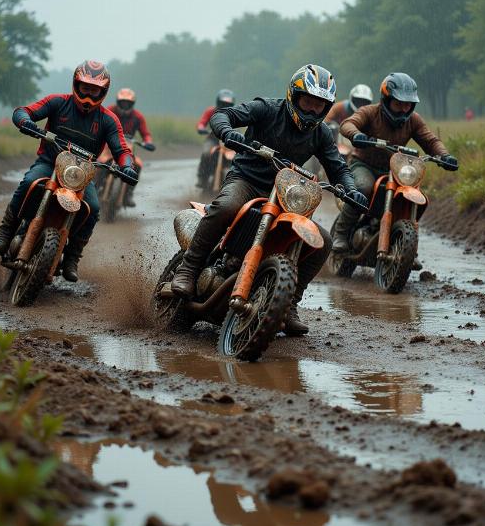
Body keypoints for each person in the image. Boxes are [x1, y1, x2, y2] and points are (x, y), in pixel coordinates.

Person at [170, 64, 368, 336]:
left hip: (287, 194)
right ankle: (189, 268)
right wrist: (228, 132)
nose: (312, 110)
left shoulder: (321, 133)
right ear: (294, 96)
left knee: (323, 242)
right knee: (227, 205)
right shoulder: (266, 109)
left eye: (319, 105)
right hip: (248, 181)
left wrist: (350, 188)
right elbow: (224, 114)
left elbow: (338, 167)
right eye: (307, 101)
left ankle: (289, 305)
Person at [0, 60, 138, 282]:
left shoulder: (108, 119)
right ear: (76, 84)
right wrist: (25, 122)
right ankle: (5, 233)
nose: (88, 94)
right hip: (49, 164)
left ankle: (72, 257)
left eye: (94, 90)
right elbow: (24, 111)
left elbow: (122, 149)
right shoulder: (57, 102)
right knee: (29, 181)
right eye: (85, 87)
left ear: (103, 91)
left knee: (93, 208)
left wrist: (127, 166)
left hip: (82, 174)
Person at [331, 72, 457, 252]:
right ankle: (340, 234)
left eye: (408, 105)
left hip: (394, 169)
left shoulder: (413, 120)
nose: (403, 109)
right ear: (386, 99)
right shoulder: (370, 112)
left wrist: (444, 156)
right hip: (363, 164)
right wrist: (357, 135)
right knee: (364, 188)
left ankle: (406, 248)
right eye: (398, 104)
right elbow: (347, 124)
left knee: (414, 196)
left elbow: (430, 141)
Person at [106, 88, 156, 206]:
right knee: (98, 163)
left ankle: (128, 194)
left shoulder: (138, 117)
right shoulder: (109, 111)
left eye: (127, 103)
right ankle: (91, 187)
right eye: (122, 103)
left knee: (137, 165)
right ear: (118, 102)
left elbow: (146, 134)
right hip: (107, 148)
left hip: (128, 148)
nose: (124, 106)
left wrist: (148, 142)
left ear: (132, 104)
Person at [196, 89, 235, 188]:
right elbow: (202, 122)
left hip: (227, 141)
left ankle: (234, 183)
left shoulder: (234, 113)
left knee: (237, 158)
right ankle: (202, 178)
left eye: (227, 104)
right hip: (212, 139)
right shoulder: (211, 111)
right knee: (206, 153)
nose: (225, 106)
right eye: (223, 103)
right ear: (218, 102)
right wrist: (201, 128)